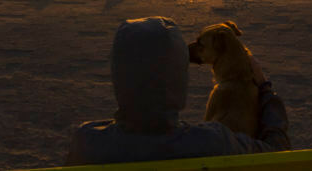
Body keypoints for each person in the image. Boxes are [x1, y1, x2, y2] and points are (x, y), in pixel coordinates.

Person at [65, 16, 290, 165]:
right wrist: (265, 88)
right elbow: (277, 153)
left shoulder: (86, 143)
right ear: (178, 78)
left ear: (118, 73)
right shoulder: (212, 141)